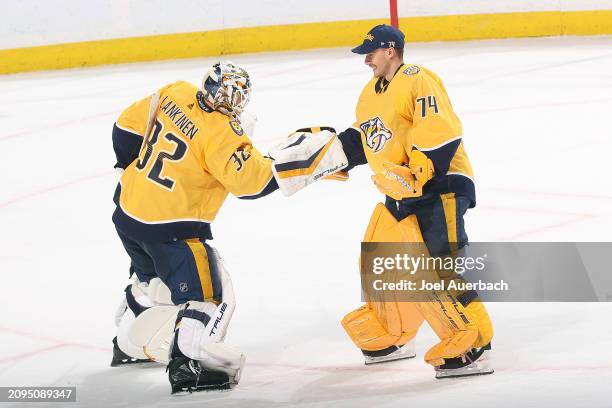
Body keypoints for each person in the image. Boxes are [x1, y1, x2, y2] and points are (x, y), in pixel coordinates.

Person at [109, 62, 349, 393]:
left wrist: (127, 170)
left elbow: (124, 128)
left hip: (128, 211)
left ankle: (129, 342)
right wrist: (307, 157)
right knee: (209, 294)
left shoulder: (175, 92)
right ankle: (191, 365)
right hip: (171, 228)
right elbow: (253, 183)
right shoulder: (222, 132)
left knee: (152, 277)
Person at [331, 24, 494, 378]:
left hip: (440, 184)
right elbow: (367, 139)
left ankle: (476, 342)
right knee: (392, 263)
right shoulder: (369, 93)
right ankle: (398, 334)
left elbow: (441, 130)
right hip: (401, 191)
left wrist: (419, 170)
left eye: (370, 53)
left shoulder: (418, 79)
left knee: (443, 264)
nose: (366, 61)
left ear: (391, 50)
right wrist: (333, 154)